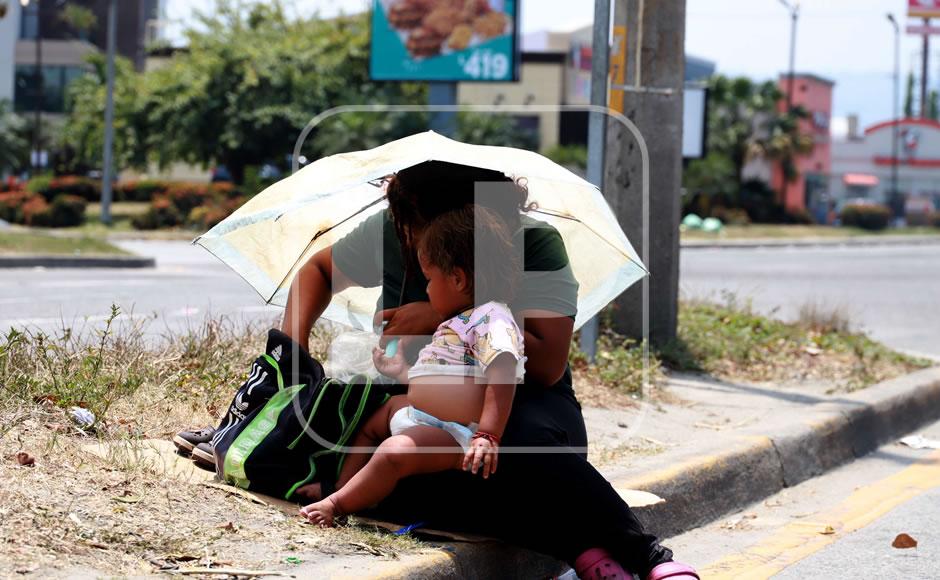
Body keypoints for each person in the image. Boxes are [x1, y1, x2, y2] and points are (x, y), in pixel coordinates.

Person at [299, 205, 525, 526]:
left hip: (454, 431)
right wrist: (402, 372)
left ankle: (338, 504)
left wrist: (487, 434)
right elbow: (444, 374)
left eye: (430, 279)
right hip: (421, 411)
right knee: (371, 423)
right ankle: (342, 486)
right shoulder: (459, 320)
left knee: (393, 452)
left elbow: (502, 370)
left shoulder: (492, 319)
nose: (427, 289)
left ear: (458, 279)